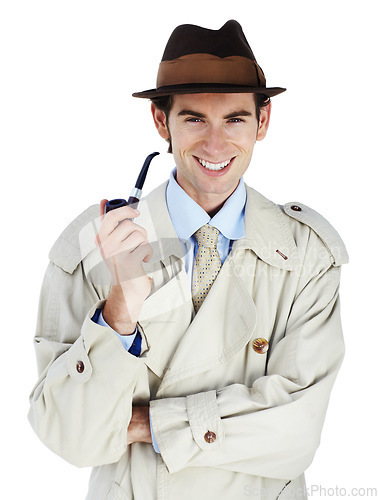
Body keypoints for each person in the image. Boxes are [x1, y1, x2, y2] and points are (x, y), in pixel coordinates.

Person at [28, 20, 348, 500]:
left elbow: (297, 431)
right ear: (162, 122)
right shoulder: (91, 244)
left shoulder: (307, 255)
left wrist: (147, 423)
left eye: (235, 119)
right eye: (194, 118)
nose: (215, 146)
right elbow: (70, 437)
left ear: (263, 122)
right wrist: (120, 309)